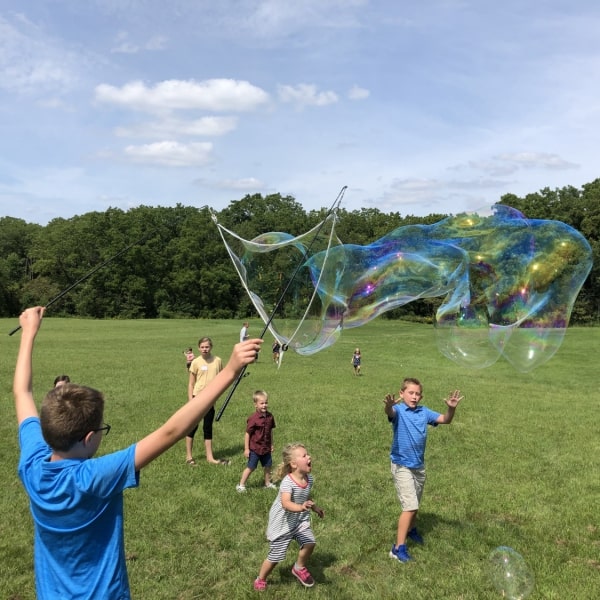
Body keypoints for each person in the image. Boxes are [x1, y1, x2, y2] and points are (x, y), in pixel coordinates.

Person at [13, 306, 261, 599]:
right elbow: (172, 431)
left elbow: (22, 392)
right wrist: (231, 370)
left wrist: (28, 333)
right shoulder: (96, 476)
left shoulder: (32, 463)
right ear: (90, 437)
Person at [384, 377, 463, 563]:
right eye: (410, 393)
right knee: (410, 506)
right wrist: (388, 406)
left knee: (415, 505)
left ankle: (411, 530)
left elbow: (445, 420)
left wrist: (451, 408)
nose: (414, 397)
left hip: (418, 466)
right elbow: (390, 412)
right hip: (402, 465)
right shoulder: (399, 411)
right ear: (402, 393)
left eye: (417, 394)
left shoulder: (423, 412)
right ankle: (397, 548)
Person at [253, 443, 324, 591]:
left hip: (298, 521)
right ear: (293, 464)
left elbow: (306, 495)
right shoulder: (287, 482)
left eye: (308, 454)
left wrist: (315, 508)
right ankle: (260, 579)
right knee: (275, 557)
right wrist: (300, 507)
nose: (309, 456)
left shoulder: (308, 479)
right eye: (304, 456)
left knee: (310, 542)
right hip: (283, 523)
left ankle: (299, 567)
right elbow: (285, 503)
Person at [186, 337, 229, 466]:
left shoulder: (218, 361)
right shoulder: (196, 362)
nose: (205, 349)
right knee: (192, 427)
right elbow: (191, 384)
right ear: (199, 348)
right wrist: (190, 401)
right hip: (197, 398)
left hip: (210, 399)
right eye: (202, 347)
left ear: (211, 347)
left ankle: (210, 457)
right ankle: (189, 457)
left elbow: (223, 378)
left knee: (208, 427)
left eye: (207, 347)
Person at [236, 390, 276, 492]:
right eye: (261, 403)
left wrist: (271, 444)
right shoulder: (253, 419)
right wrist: (246, 449)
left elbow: (271, 431)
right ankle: (241, 485)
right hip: (255, 448)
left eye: (266, 402)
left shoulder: (270, 417)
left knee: (268, 466)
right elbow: (247, 434)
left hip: (266, 447)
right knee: (251, 467)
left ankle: (267, 483)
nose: (264, 405)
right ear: (255, 405)